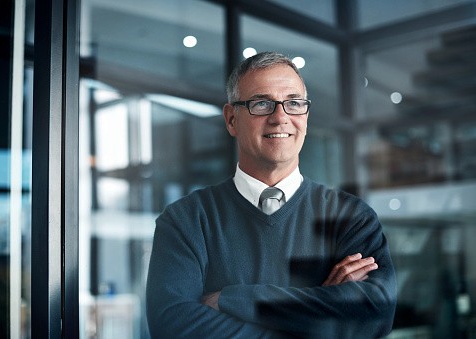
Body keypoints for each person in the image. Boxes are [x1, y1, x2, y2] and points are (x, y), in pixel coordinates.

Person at [146, 51, 396, 338]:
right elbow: (174, 327)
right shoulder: (186, 220)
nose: (280, 118)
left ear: (306, 116)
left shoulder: (352, 217)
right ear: (231, 120)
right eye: (261, 103)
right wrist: (317, 320)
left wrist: (233, 299)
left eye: (294, 103)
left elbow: (373, 317)